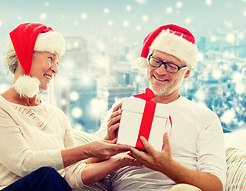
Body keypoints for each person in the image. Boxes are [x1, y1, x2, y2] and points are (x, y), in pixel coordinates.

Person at [0, 23, 140, 191]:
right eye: (50, 58)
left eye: (57, 62)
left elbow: (71, 176)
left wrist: (121, 161)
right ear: (24, 55)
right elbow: (24, 164)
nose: (55, 69)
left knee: (53, 178)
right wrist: (88, 150)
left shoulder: (57, 115)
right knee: (46, 176)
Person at [95, 24, 227, 191]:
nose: (160, 71)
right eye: (156, 61)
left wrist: (166, 166)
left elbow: (216, 186)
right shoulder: (123, 107)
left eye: (172, 66)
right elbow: (84, 166)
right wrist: (108, 139)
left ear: (186, 73)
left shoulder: (204, 117)